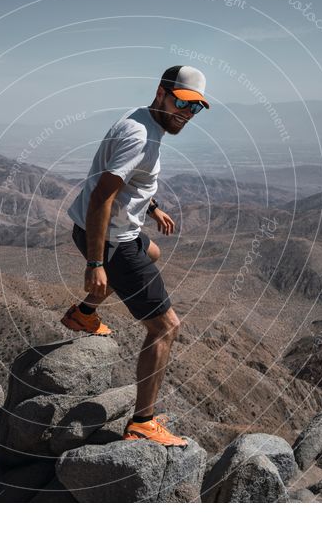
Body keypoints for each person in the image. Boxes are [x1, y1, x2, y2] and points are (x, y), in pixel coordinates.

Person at [60, 65, 209, 447]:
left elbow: (126, 177)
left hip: (114, 234)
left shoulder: (140, 119)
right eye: (181, 103)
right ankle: (143, 421)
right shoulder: (142, 136)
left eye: (195, 109)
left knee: (154, 252)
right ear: (162, 93)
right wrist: (96, 263)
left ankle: (84, 314)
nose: (186, 114)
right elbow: (102, 196)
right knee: (166, 328)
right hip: (112, 242)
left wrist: (152, 207)